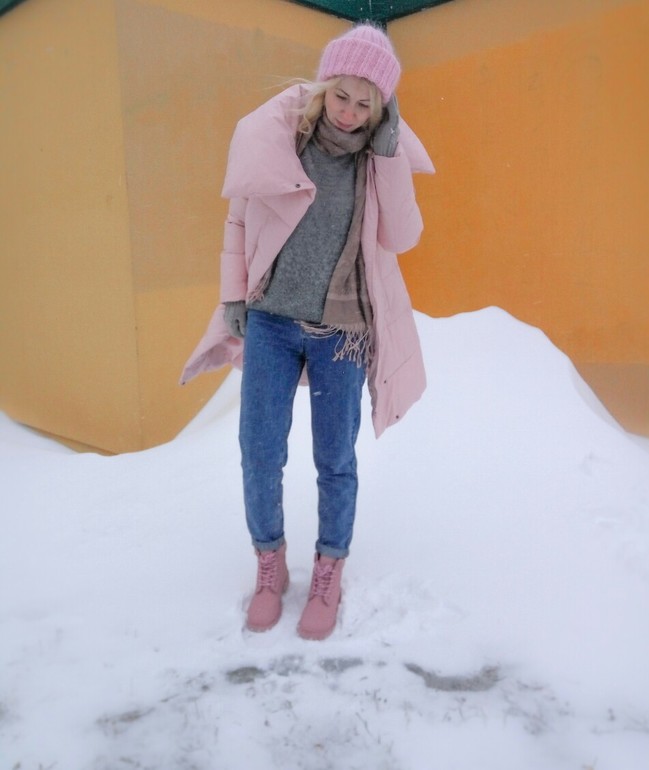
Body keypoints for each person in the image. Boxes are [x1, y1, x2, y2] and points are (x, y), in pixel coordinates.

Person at [181, 23, 434, 640]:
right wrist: (234, 297)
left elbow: (401, 237)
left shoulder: (377, 158)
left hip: (341, 333)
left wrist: (390, 154)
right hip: (270, 322)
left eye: (365, 103)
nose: (349, 112)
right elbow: (239, 221)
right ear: (325, 86)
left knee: (334, 459)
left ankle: (329, 569)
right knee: (260, 451)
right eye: (342, 95)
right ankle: (269, 566)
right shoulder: (281, 140)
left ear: (381, 108)